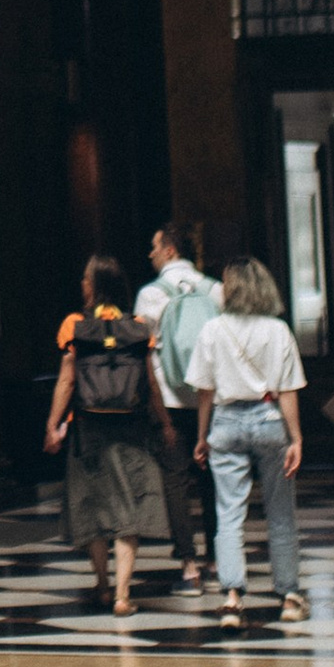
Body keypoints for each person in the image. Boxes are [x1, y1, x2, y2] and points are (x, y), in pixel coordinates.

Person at [45, 259, 171, 617]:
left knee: (94, 506)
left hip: (89, 429)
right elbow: (151, 383)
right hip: (132, 429)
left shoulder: (75, 325)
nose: (82, 283)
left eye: (86, 278)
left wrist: (53, 425)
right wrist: (165, 423)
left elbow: (67, 381)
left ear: (96, 284)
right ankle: (123, 595)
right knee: (129, 509)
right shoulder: (139, 328)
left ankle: (102, 585)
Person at [192, 257, 308, 631]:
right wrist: (296, 438)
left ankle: (232, 598)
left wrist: (201, 436)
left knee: (228, 514)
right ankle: (289, 596)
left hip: (226, 421)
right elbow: (288, 390)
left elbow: (205, 391)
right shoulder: (278, 330)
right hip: (269, 418)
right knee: (281, 512)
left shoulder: (212, 329)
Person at [136, 222, 222, 591]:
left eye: (155, 247)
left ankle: (188, 565)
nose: (150, 254)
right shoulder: (215, 290)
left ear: (170, 250)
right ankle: (216, 558)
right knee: (213, 480)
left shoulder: (150, 295)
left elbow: (143, 351)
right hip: (209, 399)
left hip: (169, 400)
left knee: (174, 482)